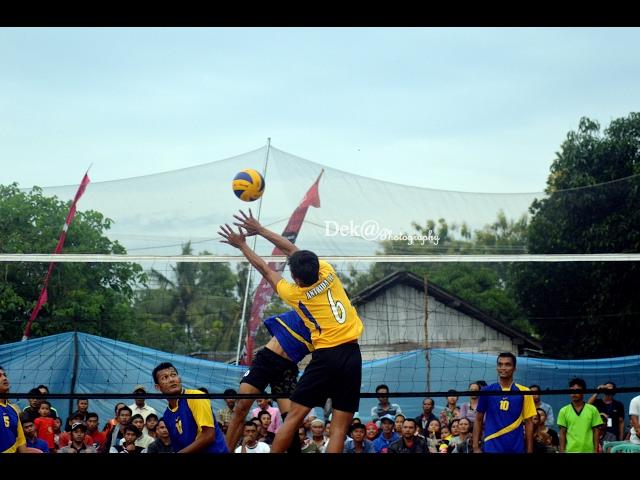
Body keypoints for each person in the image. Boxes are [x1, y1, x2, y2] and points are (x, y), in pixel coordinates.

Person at [219, 209, 364, 453]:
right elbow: (293, 251)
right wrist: (261, 230)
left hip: (326, 356)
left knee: (294, 417)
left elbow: (266, 269)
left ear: (296, 279)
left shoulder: (295, 294)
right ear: (317, 266)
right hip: (352, 354)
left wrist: (244, 244)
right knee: (339, 427)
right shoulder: (327, 271)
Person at [225, 309, 312, 452]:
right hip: (267, 359)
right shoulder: (307, 302)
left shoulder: (330, 327)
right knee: (241, 407)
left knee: (292, 421)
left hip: (288, 368)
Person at [152, 361, 228, 453]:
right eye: (165, 378)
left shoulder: (196, 397)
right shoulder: (167, 415)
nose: (171, 379)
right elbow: (179, 447)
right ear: (158, 387)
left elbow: (208, 435)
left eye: (173, 375)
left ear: (179, 378)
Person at [472, 352, 536, 453]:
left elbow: (529, 422)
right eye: (500, 364)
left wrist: (529, 450)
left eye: (507, 364)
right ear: (497, 368)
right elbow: (478, 419)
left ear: (514, 368)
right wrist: (475, 447)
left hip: (515, 448)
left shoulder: (524, 392)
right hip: (491, 446)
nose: (503, 367)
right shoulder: (486, 391)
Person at [557, 378, 602, 453]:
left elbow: (596, 432)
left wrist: (595, 450)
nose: (574, 393)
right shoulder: (563, 411)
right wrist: (562, 451)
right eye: (572, 391)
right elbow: (562, 433)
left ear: (583, 392)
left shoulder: (593, 410)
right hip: (570, 451)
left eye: (577, 390)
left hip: (589, 451)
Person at [0, 366, 38, 453]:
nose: (5, 378)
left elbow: (21, 443)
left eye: (5, 375)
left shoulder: (14, 409)